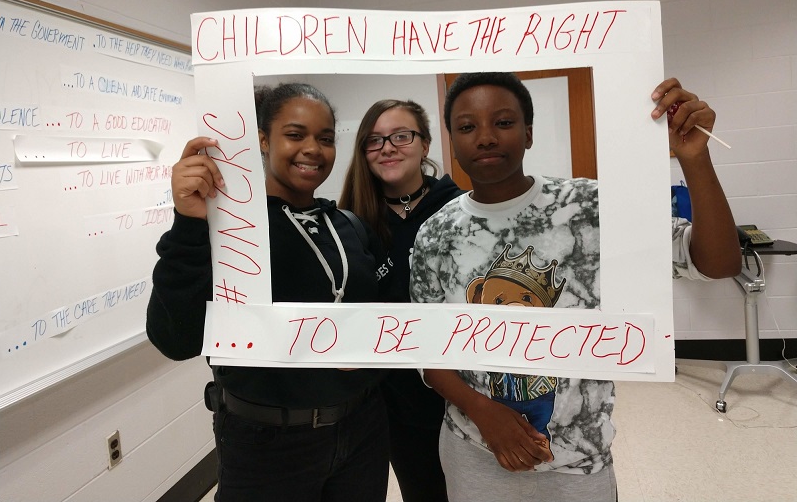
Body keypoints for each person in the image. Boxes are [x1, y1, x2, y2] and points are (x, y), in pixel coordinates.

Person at [409, 73, 740, 502]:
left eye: (504, 123)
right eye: (467, 127)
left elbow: (717, 263)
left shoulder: (588, 208)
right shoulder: (437, 234)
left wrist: (695, 158)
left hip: (578, 462)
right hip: (475, 452)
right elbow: (425, 349)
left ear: (529, 134)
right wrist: (483, 412)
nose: (486, 137)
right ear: (452, 140)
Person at [147, 83, 393, 502]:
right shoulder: (228, 231)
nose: (313, 149)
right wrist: (188, 222)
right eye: (296, 135)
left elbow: (387, 320)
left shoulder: (350, 226)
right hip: (268, 444)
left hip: (362, 430)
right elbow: (175, 339)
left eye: (326, 138)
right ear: (262, 139)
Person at [339, 99, 465, 502]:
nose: (388, 147)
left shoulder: (462, 210)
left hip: (469, 396)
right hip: (398, 407)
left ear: (425, 144)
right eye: (374, 140)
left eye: (401, 136)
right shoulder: (351, 223)